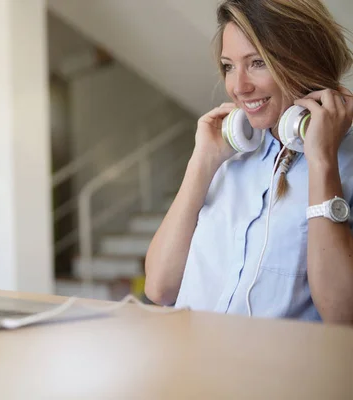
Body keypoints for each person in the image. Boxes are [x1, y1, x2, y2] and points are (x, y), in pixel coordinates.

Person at [144, 0, 353, 323]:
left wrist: (323, 162)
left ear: (304, 61)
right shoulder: (228, 154)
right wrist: (202, 162)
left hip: (272, 372)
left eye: (257, 63)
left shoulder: (344, 165)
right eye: (229, 66)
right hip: (186, 364)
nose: (239, 87)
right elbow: (160, 288)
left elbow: (343, 315)